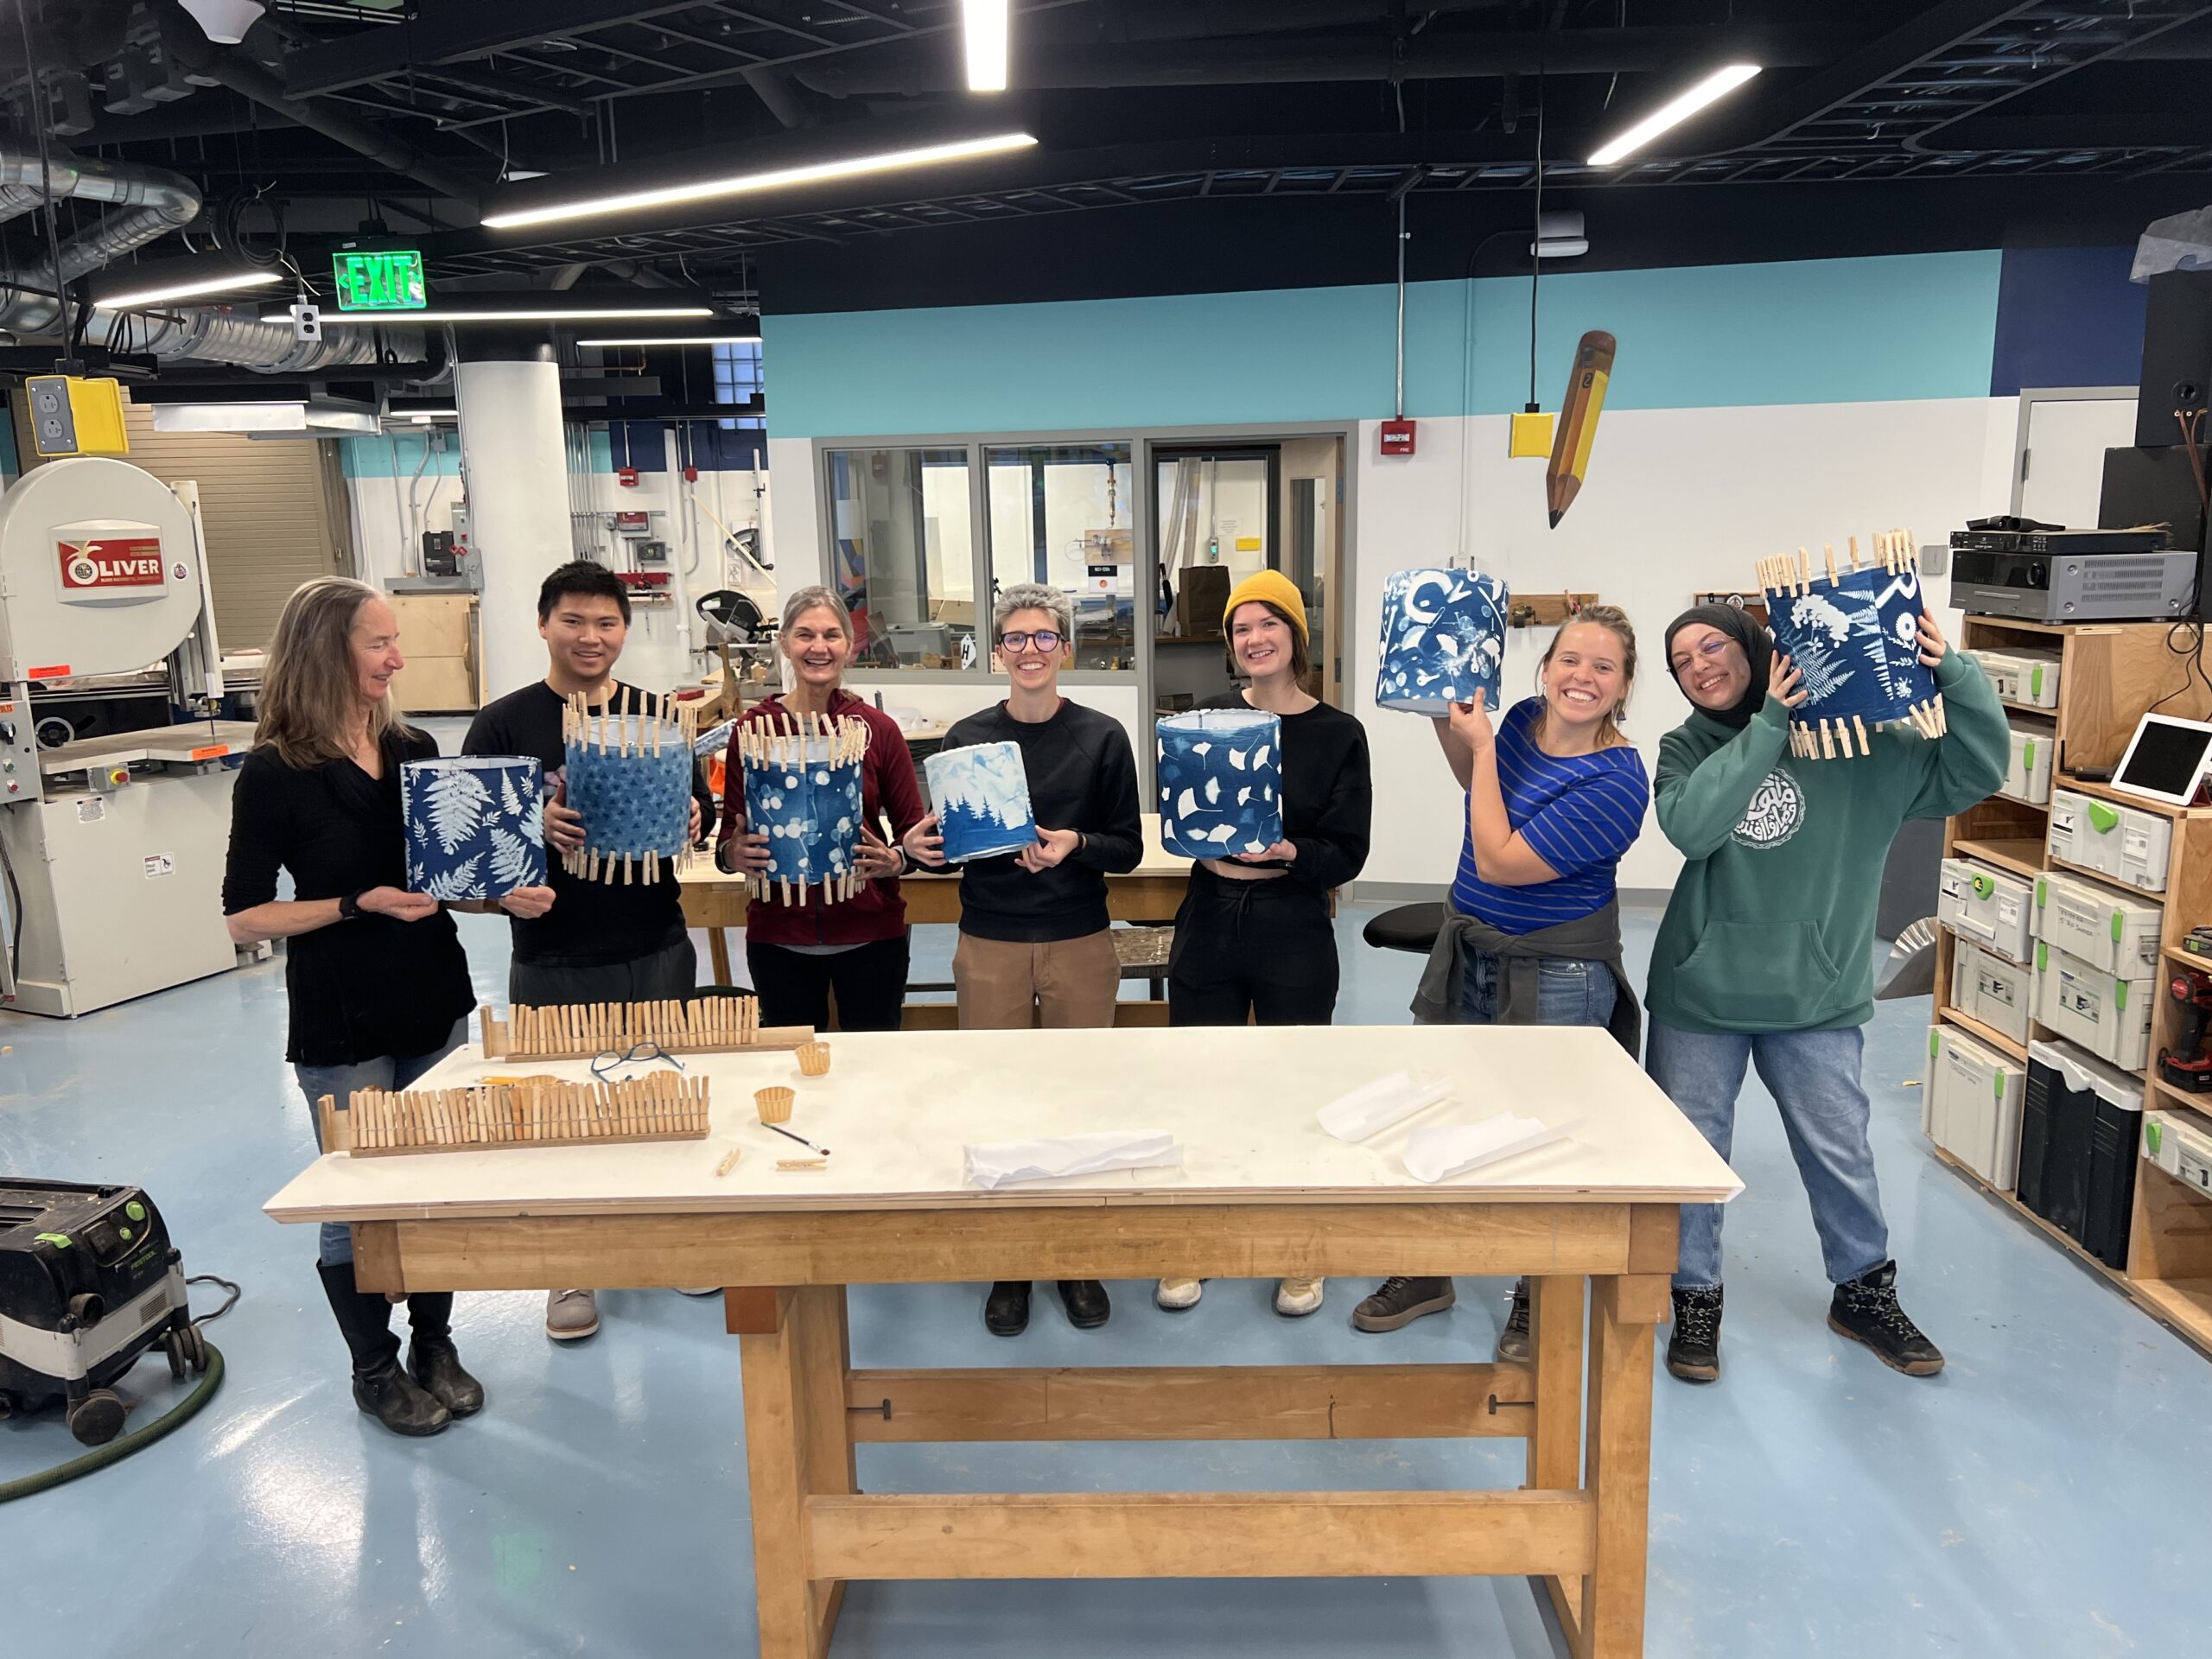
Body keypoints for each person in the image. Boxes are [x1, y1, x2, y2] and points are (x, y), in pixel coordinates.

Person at [224, 578, 552, 1436]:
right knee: (357, 1200)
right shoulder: (275, 773)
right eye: (379, 643)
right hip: (342, 1015)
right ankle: (372, 1368)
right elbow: (245, 914)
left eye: (394, 641)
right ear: (325, 650)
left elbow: (445, 881)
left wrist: (499, 898)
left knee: (434, 1186)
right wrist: (351, 904)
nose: (398, 658)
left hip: (431, 998)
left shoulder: (411, 749)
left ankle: (433, 1348)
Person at [1649, 601, 2005, 1382]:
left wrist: (1956, 672)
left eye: (1713, 645)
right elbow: (1694, 827)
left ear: (1756, 646)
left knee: (1839, 1149)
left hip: (1817, 993)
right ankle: (1695, 1300)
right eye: (1681, 660)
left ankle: (1864, 1293)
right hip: (1701, 990)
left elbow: (1977, 771)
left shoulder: (1864, 745)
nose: (1700, 665)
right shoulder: (1685, 747)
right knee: (1692, 1156)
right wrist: (1769, 722)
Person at [1352, 607, 1649, 1357]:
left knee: (1538, 1136)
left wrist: (1483, 752)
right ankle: (1430, 1268)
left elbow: (1501, 862)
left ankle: (1535, 1294)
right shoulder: (1516, 720)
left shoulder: (1617, 780)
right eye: (1570, 660)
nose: (1582, 677)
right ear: (1545, 668)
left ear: (1622, 686)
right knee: (1439, 1111)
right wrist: (1439, 712)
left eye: (1602, 667)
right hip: (1471, 951)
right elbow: (1470, 777)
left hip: (1556, 974)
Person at [464, 560, 711, 1343]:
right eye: (574, 621)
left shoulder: (658, 715)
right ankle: (570, 1264)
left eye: (606, 623)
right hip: (553, 952)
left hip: (655, 941)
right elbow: (469, 851)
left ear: (624, 632)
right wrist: (531, 828)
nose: (590, 636)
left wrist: (696, 817)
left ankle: (671, 1238)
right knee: (562, 1111)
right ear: (544, 625)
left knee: (662, 1098)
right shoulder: (503, 726)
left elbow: (694, 804)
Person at [903, 582, 1143, 1338]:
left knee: (1079, 1100)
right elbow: (946, 852)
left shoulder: (1102, 736)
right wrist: (917, 850)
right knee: (999, 1100)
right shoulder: (966, 737)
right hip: (991, 942)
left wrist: (1075, 844)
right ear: (997, 651)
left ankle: (1075, 1257)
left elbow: (1128, 849)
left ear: (1065, 649)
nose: (1031, 650)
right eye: (1017, 638)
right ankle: (1010, 1261)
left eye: (1045, 637)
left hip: (1078, 938)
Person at [1154, 569, 1372, 1319]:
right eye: (1241, 629)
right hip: (1211, 919)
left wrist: (1288, 855)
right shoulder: (1205, 717)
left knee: (1297, 1089)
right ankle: (1195, 1240)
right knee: (1200, 1084)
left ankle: (1300, 1250)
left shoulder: (1338, 734)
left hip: (1293, 928)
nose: (1254, 639)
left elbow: (1347, 853)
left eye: (1267, 624)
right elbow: (1176, 816)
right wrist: (1198, 843)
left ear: (1295, 637)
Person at [715, 587, 927, 1030]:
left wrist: (896, 860)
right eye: (805, 634)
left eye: (832, 635)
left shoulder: (878, 730)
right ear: (785, 644)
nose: (818, 647)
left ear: (849, 647)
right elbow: (727, 841)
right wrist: (733, 855)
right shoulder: (755, 731)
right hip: (779, 936)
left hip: (872, 933)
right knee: (795, 1068)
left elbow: (913, 832)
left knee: (873, 1066)